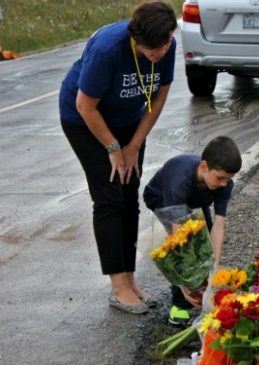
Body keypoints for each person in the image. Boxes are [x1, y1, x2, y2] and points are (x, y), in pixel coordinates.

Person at [59, 1, 177, 314]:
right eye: (152, 48)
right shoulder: (108, 49)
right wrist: (113, 149)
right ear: (135, 38)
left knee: (129, 195)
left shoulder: (167, 43)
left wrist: (134, 145)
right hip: (85, 121)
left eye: (164, 44)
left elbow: (160, 96)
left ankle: (131, 280)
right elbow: (86, 106)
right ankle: (118, 286)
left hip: (128, 123)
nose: (160, 52)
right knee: (110, 197)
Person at [143, 136, 242, 326]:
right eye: (220, 178)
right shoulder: (179, 183)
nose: (224, 184)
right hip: (162, 197)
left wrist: (214, 269)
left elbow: (219, 225)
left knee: (203, 245)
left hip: (197, 198)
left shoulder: (223, 182)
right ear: (204, 167)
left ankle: (202, 293)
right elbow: (178, 241)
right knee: (188, 252)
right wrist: (183, 282)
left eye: (228, 179)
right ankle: (179, 306)